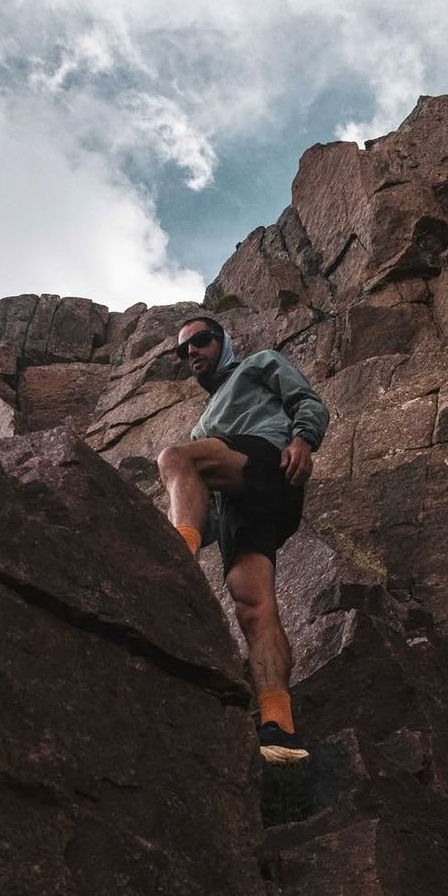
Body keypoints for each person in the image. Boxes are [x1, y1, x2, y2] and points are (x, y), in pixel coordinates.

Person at [157, 314, 330, 767]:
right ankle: (279, 727)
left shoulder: (258, 364)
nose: (191, 351)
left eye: (200, 341)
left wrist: (304, 440)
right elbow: (206, 511)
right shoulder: (203, 427)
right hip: (241, 508)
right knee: (253, 607)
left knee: (176, 458)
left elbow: (307, 400)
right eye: (183, 350)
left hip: (268, 460)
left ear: (224, 342)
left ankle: (177, 562)